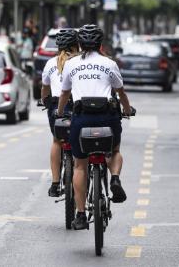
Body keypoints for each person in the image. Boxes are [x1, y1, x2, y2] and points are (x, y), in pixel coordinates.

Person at [56, 24, 133, 231]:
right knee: (114, 150)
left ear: (80, 43)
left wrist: (60, 112)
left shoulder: (72, 64)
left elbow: (64, 94)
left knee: (80, 164)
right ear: (100, 44)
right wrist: (127, 110)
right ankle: (115, 179)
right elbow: (121, 92)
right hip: (107, 116)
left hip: (82, 118)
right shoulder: (109, 63)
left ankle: (81, 214)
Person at [40, 28, 79, 197]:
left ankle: (55, 183)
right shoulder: (80, 62)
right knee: (79, 143)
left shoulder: (50, 64)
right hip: (77, 105)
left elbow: (45, 88)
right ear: (77, 45)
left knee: (57, 141)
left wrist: (45, 101)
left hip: (56, 105)